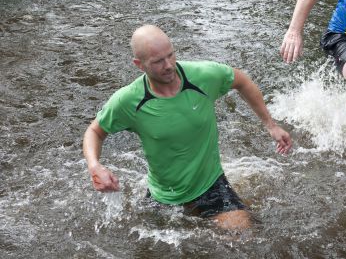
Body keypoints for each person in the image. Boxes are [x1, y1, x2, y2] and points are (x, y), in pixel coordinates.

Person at [83, 25, 292, 229]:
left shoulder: (202, 75)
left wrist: (271, 125)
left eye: (171, 55)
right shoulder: (128, 100)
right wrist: (94, 166)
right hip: (163, 196)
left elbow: (242, 81)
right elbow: (95, 132)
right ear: (139, 65)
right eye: (158, 61)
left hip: (211, 185)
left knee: (242, 239)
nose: (169, 65)